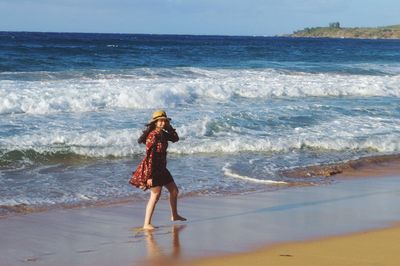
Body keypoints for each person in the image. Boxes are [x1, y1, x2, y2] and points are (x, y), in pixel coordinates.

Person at [130, 110, 186, 230]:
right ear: (155, 122)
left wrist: (169, 127)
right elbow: (150, 156)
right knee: (155, 195)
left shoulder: (163, 134)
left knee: (174, 191)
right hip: (154, 169)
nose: (162, 123)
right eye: (160, 121)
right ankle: (146, 224)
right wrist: (149, 176)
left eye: (164, 121)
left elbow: (176, 138)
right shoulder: (152, 136)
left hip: (162, 169)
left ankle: (174, 215)